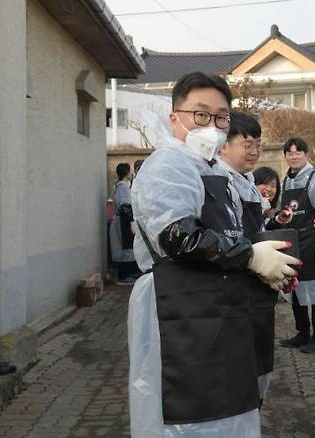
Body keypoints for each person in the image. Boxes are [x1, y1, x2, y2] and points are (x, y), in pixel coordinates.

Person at [128, 72, 300, 438]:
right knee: (192, 420)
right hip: (181, 312)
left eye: (221, 117)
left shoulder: (206, 170)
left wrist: (262, 268)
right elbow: (178, 237)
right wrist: (251, 257)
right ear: (175, 117)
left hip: (213, 310)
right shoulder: (168, 165)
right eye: (201, 114)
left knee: (225, 416)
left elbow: (228, 237)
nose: (212, 126)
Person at [215, 111, 277, 406]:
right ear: (223, 145)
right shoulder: (218, 182)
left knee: (259, 359)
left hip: (257, 288)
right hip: (236, 288)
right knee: (238, 368)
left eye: (258, 145)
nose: (255, 152)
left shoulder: (247, 180)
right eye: (247, 144)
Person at [269, 137, 315, 354]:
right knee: (294, 289)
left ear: (306, 154)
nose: (293, 157)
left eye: (298, 153)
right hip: (292, 243)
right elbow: (280, 212)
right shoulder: (286, 181)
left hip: (313, 243)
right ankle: (303, 333)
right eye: (289, 153)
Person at [109, 162, 139, 285]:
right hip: (124, 220)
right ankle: (124, 276)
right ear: (127, 172)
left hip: (126, 219)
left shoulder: (124, 185)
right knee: (126, 246)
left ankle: (129, 274)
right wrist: (132, 220)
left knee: (129, 246)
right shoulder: (122, 187)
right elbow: (125, 206)